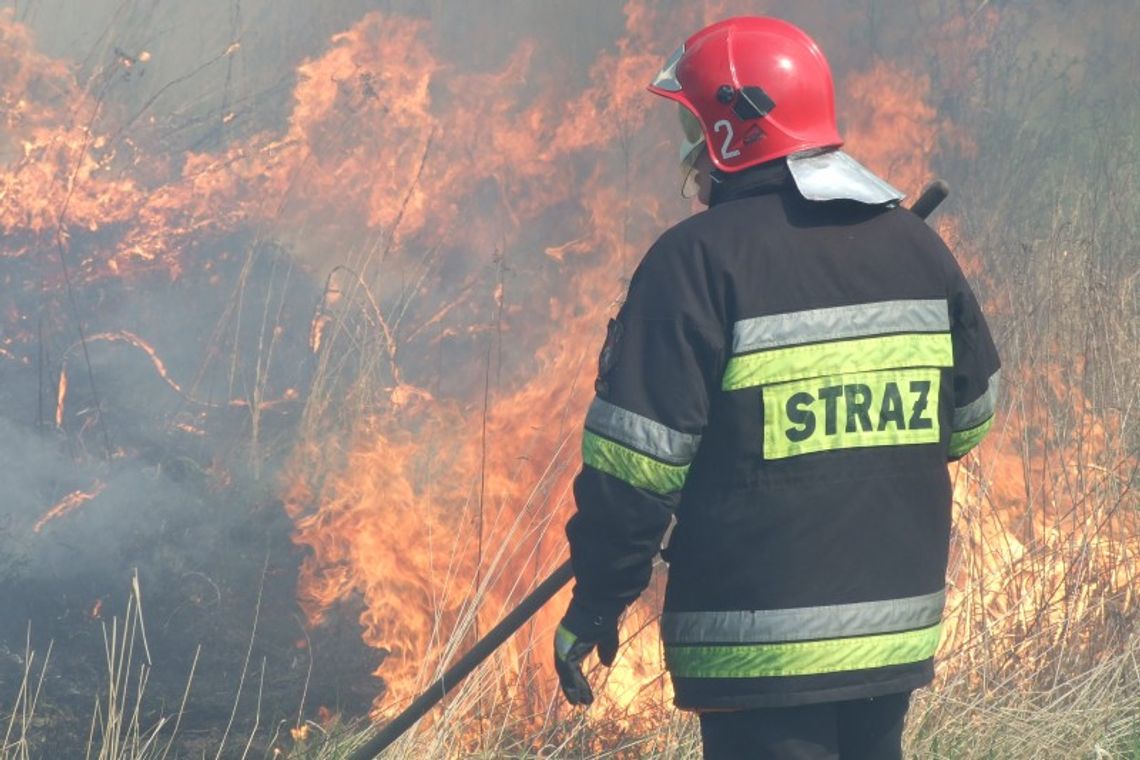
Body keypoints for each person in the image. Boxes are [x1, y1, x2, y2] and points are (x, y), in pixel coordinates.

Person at [552, 16, 1001, 760]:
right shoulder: (916, 248)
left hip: (758, 645)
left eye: (695, 131)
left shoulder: (694, 262)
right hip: (889, 637)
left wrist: (597, 600)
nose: (690, 156)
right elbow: (970, 422)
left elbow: (636, 472)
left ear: (732, 135)